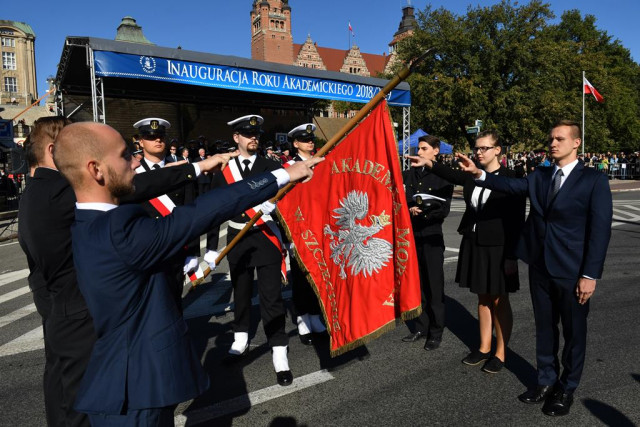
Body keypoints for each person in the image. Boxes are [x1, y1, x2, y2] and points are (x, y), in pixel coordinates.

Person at [51, 121, 320, 426]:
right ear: (97, 170)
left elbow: (150, 184)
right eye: (125, 155)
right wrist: (282, 175)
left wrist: (199, 166)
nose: (136, 160)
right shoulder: (120, 232)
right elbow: (202, 211)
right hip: (138, 392)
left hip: (126, 378)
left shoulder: (89, 214)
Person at [17, 117, 216, 427]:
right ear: (55, 150)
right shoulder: (59, 192)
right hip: (80, 319)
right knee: (84, 407)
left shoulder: (34, 192)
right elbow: (136, 187)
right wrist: (195, 168)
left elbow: (37, 273)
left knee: (63, 397)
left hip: (60, 315)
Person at [455, 120, 613, 416]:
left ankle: (566, 388)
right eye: (551, 138)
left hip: (573, 270)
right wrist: (478, 174)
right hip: (540, 266)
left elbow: (600, 231)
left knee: (574, 333)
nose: (553, 143)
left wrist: (590, 275)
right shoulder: (539, 175)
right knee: (544, 329)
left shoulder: (593, 180)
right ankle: (545, 381)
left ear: (576, 143)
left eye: (560, 139)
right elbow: (511, 185)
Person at [414, 130, 525, 373]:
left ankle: (500, 352)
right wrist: (429, 163)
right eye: (477, 147)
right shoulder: (472, 175)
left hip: (499, 246)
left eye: (484, 148)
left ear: (498, 150)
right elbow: (451, 174)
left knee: (499, 299)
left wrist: (511, 255)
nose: (478, 152)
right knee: (482, 298)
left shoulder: (510, 177)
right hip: (474, 242)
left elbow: (516, 219)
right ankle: (484, 347)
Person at [207, 115, 294, 386]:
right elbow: (213, 208)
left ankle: (279, 353)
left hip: (265, 236)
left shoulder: (271, 165)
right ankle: (240, 340)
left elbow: (289, 200)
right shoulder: (225, 169)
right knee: (241, 293)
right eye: (247, 134)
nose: (253, 138)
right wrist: (211, 248)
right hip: (237, 237)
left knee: (271, 297)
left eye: (256, 134)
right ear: (236, 138)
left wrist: (276, 208)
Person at [133, 117, 199, 306]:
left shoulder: (181, 169)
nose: (157, 140)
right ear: (141, 141)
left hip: (174, 250)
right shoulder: (132, 173)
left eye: (161, 136)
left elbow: (190, 210)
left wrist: (192, 251)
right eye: (150, 136)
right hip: (144, 251)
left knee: (174, 305)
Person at [401, 135, 453, 351]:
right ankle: (421, 327)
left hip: (431, 235)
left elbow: (444, 209)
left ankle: (436, 331)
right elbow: (400, 196)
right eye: (418, 148)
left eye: (424, 148)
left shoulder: (443, 177)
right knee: (417, 285)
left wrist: (423, 212)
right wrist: (409, 208)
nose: (419, 152)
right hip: (413, 236)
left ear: (436, 151)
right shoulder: (410, 173)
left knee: (434, 285)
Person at [282, 123, 327, 344]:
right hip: (299, 230)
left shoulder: (321, 163)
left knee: (318, 275)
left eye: (312, 139)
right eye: (305, 139)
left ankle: (315, 315)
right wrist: (287, 236)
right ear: (295, 143)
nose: (311, 142)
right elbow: (284, 203)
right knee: (301, 277)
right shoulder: (289, 167)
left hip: (321, 227)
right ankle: (302, 318)